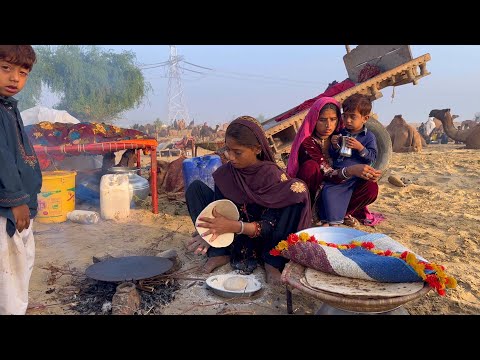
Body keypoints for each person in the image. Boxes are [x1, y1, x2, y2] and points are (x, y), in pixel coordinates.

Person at [185, 116, 311, 284]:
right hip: (232, 237)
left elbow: (270, 226)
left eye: (237, 152)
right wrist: (206, 232)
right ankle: (220, 252)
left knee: (296, 192)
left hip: (267, 237)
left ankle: (272, 262)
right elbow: (218, 210)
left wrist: (235, 226)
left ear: (257, 149)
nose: (230, 157)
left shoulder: (272, 175)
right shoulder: (226, 174)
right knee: (195, 189)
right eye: (227, 150)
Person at [287, 96, 381, 227]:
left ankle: (341, 214)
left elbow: (368, 155)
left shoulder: (340, 136)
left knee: (371, 187)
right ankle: (311, 213)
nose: (328, 125)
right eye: (322, 120)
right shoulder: (308, 143)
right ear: (314, 119)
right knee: (310, 167)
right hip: (317, 192)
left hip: (340, 186)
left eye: (333, 119)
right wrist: (352, 170)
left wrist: (368, 173)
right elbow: (328, 173)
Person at [0, 45, 42, 315]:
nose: (15, 78)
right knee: (9, 271)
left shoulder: (9, 108)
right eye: (5, 69)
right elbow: (1, 158)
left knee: (22, 263)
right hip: (6, 210)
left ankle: (18, 306)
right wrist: (15, 200)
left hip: (19, 207)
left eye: (23, 72)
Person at [320, 94, 378, 226]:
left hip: (356, 178)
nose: (348, 120)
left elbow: (373, 156)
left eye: (353, 117)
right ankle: (331, 221)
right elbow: (334, 156)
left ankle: (343, 215)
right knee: (329, 191)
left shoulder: (369, 137)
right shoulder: (341, 133)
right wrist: (334, 145)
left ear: (365, 118)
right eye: (345, 116)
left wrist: (360, 147)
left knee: (371, 189)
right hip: (339, 173)